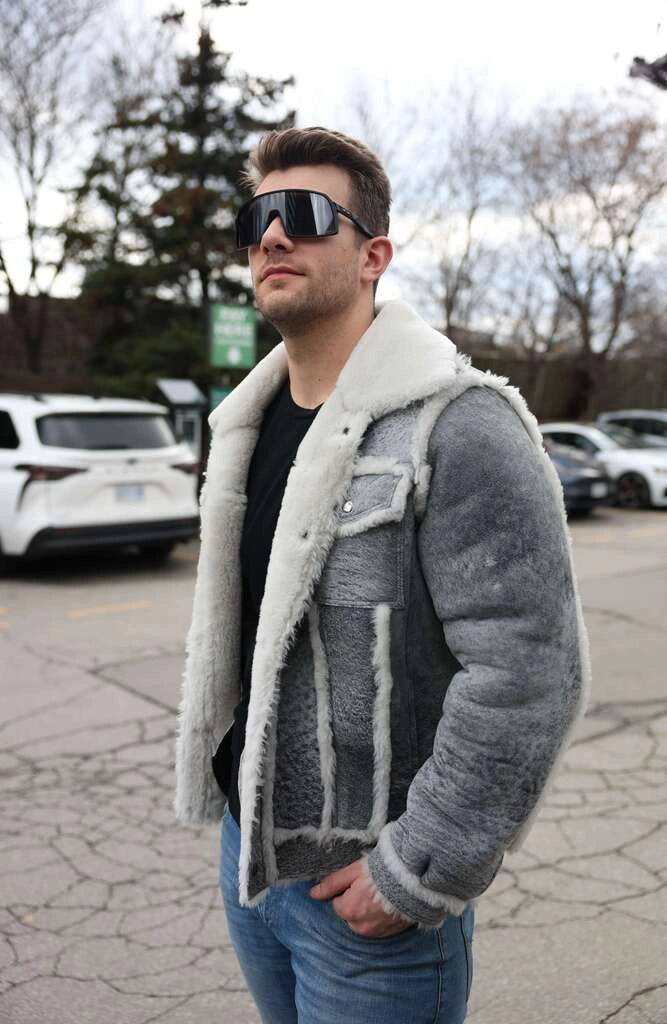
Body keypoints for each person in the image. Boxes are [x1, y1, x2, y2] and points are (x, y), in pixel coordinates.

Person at [174, 126, 590, 1024]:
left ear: (373, 255)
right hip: (252, 859)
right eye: (256, 217)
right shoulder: (244, 429)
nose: (271, 236)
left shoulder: (457, 423)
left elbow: (529, 672)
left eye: (304, 215)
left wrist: (422, 867)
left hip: (372, 897)